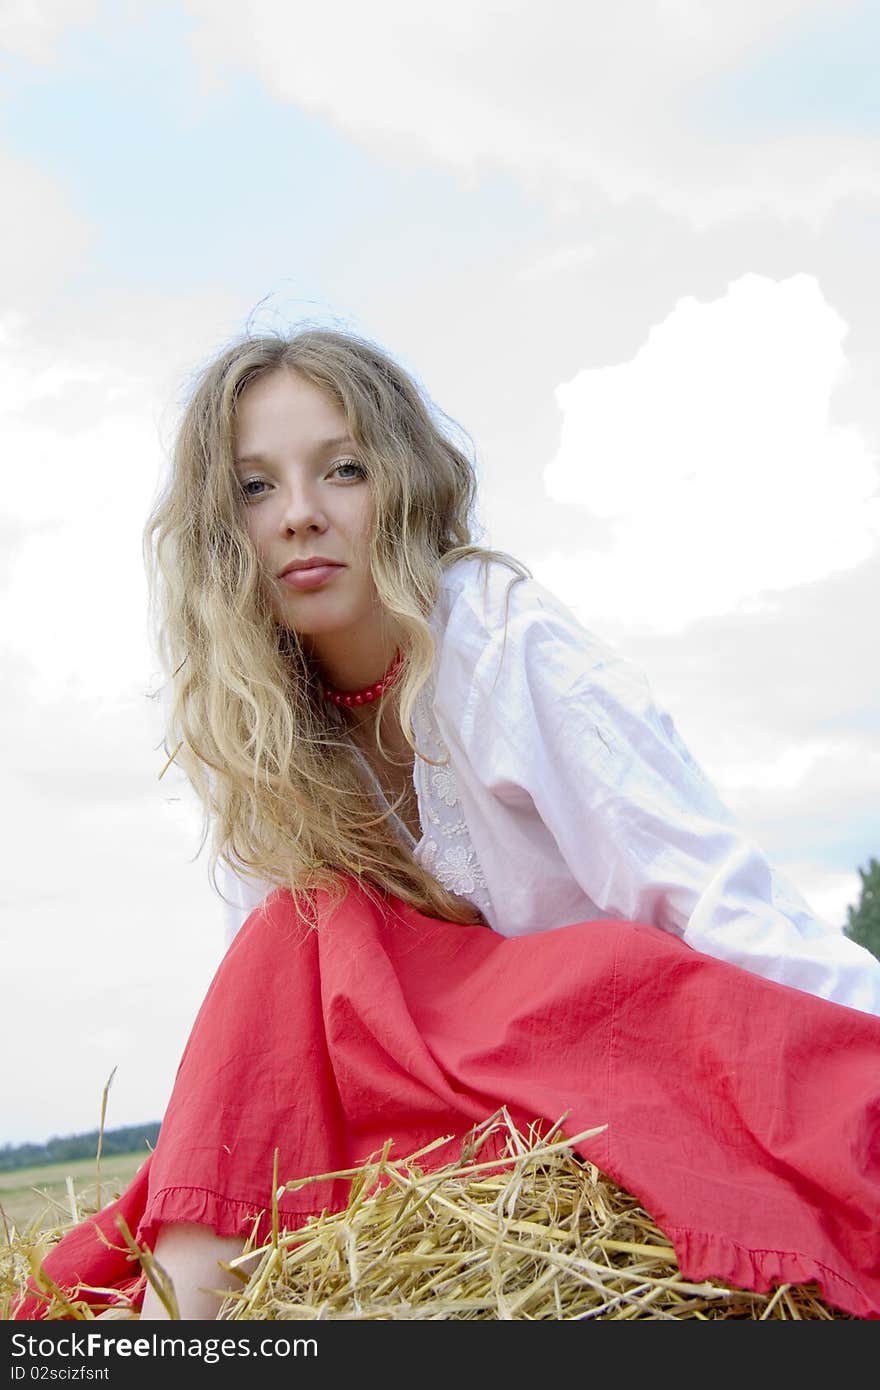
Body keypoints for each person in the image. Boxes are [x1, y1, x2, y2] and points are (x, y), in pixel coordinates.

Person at [15, 327, 880, 1322]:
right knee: (291, 931)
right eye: (256, 487)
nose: (300, 515)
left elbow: (714, 894)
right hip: (451, 1113)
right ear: (223, 530)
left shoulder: (503, 640)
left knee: (298, 928)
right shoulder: (258, 718)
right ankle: (191, 1308)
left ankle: (177, 1318)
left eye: (341, 471)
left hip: (607, 1045)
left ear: (401, 485)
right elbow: (266, 1032)